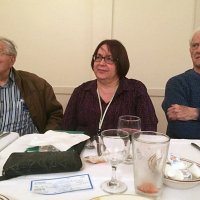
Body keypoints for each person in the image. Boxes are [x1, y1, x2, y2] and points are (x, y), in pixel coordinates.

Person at [62, 39, 158, 138]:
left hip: (124, 150)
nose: (101, 63)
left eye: (109, 59)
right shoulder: (81, 91)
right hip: (85, 151)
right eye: (98, 57)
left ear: (120, 63)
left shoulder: (135, 90)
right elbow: (66, 129)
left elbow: (149, 130)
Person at [0, 37, 63, 136]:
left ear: (12, 59)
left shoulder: (35, 83)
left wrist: (45, 138)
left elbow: (55, 114)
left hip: (26, 147)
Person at [162, 27, 200, 139]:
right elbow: (182, 131)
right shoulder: (176, 83)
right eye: (195, 45)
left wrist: (195, 113)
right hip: (184, 153)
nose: (198, 50)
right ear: (190, 51)